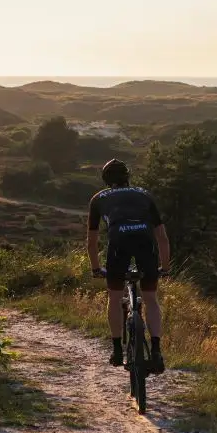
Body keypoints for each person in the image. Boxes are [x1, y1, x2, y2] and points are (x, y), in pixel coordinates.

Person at [86, 158, 171, 373]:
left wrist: (96, 268)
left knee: (115, 297)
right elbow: (161, 236)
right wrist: (165, 267)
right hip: (145, 241)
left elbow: (92, 240)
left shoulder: (98, 199)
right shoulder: (144, 194)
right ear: (128, 177)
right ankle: (157, 351)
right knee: (151, 298)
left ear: (105, 180)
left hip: (118, 243)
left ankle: (116, 350)